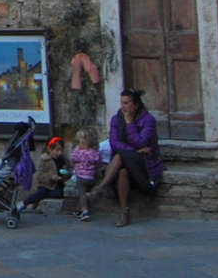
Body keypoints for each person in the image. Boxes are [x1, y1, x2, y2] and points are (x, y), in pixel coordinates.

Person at [91, 88, 165, 227]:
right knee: (122, 167)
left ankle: (100, 188)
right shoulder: (116, 119)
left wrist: (130, 123)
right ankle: (125, 212)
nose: (122, 106)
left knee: (121, 156)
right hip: (127, 159)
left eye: (126, 103)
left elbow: (141, 142)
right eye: (121, 103)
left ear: (135, 105)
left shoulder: (149, 121)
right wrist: (134, 151)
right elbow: (114, 142)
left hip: (144, 163)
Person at [20, 136, 70, 211]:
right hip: (45, 185)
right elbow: (39, 174)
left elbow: (65, 171)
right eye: (57, 150)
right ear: (49, 149)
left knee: (60, 193)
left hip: (56, 186)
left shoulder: (62, 159)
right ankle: (24, 203)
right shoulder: (44, 159)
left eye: (61, 150)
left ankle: (39, 199)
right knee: (40, 193)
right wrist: (50, 177)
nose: (60, 153)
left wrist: (65, 176)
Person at [68, 127, 102, 222]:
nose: (79, 144)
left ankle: (84, 211)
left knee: (81, 194)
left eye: (81, 142)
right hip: (91, 177)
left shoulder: (80, 152)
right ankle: (79, 209)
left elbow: (73, 159)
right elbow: (99, 162)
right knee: (85, 194)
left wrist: (76, 150)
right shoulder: (95, 153)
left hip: (81, 177)